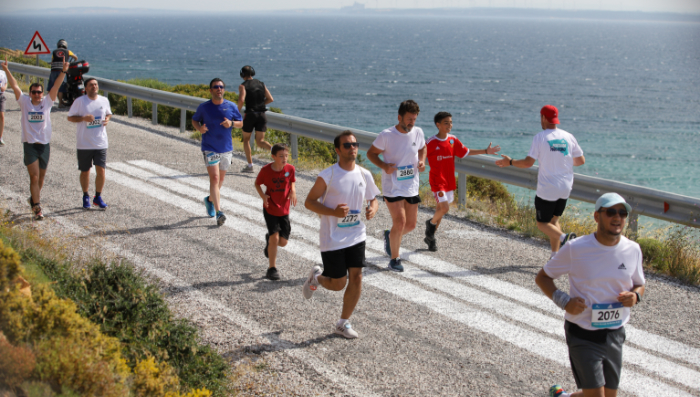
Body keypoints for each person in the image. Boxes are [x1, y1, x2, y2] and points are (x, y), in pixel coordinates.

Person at [535, 193, 645, 397]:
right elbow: (542, 277)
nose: (617, 217)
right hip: (582, 332)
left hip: (615, 333)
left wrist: (635, 296)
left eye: (622, 213)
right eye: (611, 212)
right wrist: (564, 301)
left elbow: (639, 284)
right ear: (596, 216)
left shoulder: (633, 250)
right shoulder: (575, 248)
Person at [303, 131, 380, 339]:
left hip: (357, 234)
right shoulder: (328, 175)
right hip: (332, 238)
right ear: (337, 150)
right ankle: (317, 278)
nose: (352, 148)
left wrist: (373, 208)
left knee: (357, 276)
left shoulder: (365, 174)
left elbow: (374, 198)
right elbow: (309, 202)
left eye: (355, 144)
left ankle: (342, 323)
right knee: (338, 283)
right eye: (347, 145)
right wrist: (334, 213)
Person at [496, 105, 585, 259]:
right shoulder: (568, 136)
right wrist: (561, 159)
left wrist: (510, 162)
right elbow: (580, 160)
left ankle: (566, 239)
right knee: (553, 221)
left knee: (542, 224)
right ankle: (554, 256)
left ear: (543, 118)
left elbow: (527, 163)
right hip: (565, 187)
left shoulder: (540, 137)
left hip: (548, 188)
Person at [1, 57, 68, 220]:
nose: (37, 95)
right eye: (34, 92)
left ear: (42, 94)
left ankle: (33, 198)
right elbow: (15, 86)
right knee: (34, 176)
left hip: (44, 145)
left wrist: (64, 71)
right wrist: (7, 70)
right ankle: (37, 207)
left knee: (42, 177)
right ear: (30, 93)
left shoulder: (47, 102)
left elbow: (57, 85)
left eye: (39, 92)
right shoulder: (24, 102)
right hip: (30, 145)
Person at [424, 111, 501, 251]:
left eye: (451, 122)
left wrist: (485, 151)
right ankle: (430, 225)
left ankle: (431, 237)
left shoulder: (452, 140)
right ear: (438, 125)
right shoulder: (431, 141)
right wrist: (418, 162)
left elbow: (465, 151)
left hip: (449, 181)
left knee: (440, 211)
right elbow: (420, 152)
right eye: (446, 122)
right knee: (445, 208)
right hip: (437, 181)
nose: (450, 125)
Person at [367, 99, 426, 272]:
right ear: (399, 117)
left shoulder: (418, 132)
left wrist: (422, 160)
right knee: (400, 222)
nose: (412, 123)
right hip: (392, 185)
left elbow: (423, 148)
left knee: (411, 225)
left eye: (414, 119)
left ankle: (390, 235)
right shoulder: (386, 135)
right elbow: (371, 153)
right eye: (409, 119)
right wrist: (384, 166)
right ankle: (394, 259)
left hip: (411, 184)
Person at [192, 78, 243, 226]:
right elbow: (195, 120)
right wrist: (199, 128)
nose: (219, 89)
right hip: (209, 147)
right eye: (215, 87)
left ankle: (209, 200)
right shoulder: (204, 107)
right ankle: (219, 211)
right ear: (211, 90)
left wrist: (231, 123)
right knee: (214, 178)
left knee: (220, 181)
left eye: (221, 87)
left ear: (224, 90)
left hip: (226, 148)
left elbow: (241, 123)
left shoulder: (231, 106)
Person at [67, 77, 113, 210]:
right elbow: (70, 117)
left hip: (101, 142)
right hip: (84, 143)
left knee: (101, 171)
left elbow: (108, 114)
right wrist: (83, 118)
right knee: (85, 171)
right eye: (91, 85)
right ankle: (85, 195)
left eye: (96, 84)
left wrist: (107, 119)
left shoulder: (104, 100)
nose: (94, 87)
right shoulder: (80, 101)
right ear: (86, 88)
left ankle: (97, 197)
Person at [255, 143, 297, 280]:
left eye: (286, 156)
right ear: (273, 156)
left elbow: (291, 181)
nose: (284, 158)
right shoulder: (266, 170)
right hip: (270, 208)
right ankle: (271, 269)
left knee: (283, 242)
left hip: (284, 209)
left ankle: (269, 241)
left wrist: (293, 191)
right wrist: (263, 195)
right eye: (281, 156)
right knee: (275, 238)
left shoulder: (290, 169)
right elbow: (257, 183)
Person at [237, 65, 274, 173]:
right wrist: (260, 104)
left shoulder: (242, 86)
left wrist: (236, 112)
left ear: (242, 74)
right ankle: (276, 151)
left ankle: (250, 165)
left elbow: (241, 100)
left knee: (246, 140)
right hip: (262, 114)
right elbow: (270, 99)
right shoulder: (261, 84)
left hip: (250, 115)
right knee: (260, 141)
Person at [47, 39, 78, 107]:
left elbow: (52, 61)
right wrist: (71, 62)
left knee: (51, 86)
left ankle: (48, 103)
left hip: (54, 70)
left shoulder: (54, 51)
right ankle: (60, 104)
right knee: (61, 87)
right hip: (62, 71)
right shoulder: (68, 51)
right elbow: (75, 57)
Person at [0, 65, 7, 146]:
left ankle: (0, 137)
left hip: (1, 96)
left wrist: (4, 88)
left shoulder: (2, 73)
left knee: (2, 116)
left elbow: (6, 83)